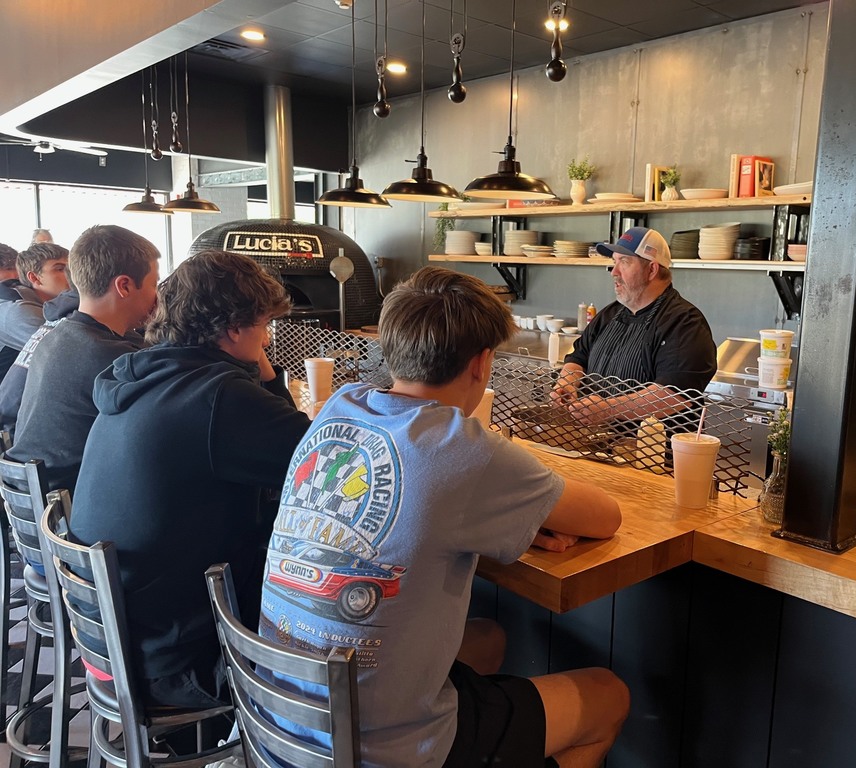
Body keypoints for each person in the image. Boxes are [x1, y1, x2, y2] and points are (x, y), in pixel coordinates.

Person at [260, 266, 629, 768]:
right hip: (376, 752)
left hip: (282, 724)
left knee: (488, 639)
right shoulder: (465, 450)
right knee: (608, 696)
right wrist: (519, 500)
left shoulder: (338, 407)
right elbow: (606, 517)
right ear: (481, 364)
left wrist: (517, 510)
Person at [70, 249, 311, 709]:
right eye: (263, 326)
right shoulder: (218, 395)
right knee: (352, 636)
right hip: (180, 663)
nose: (266, 339)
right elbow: (316, 467)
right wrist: (266, 372)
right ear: (236, 328)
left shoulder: (135, 375)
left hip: (110, 645)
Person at [8, 226, 154, 493]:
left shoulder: (55, 332)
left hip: (38, 500)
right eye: (154, 284)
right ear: (124, 286)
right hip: (73, 509)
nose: (157, 297)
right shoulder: (111, 355)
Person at [551, 226, 717, 426]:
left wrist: (607, 409)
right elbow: (578, 356)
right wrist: (567, 382)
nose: (614, 272)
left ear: (652, 270)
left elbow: (673, 395)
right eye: (614, 262)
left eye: (624, 262)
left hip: (652, 451)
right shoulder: (610, 314)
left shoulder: (685, 323)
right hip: (596, 443)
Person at [0, 287, 80, 438]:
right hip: (14, 431)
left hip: (16, 431)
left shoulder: (56, 320)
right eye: (59, 268)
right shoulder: (15, 313)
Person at [0, 242, 70, 381]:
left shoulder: (48, 303)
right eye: (60, 269)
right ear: (34, 277)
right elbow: (68, 353)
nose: (70, 275)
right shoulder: (14, 310)